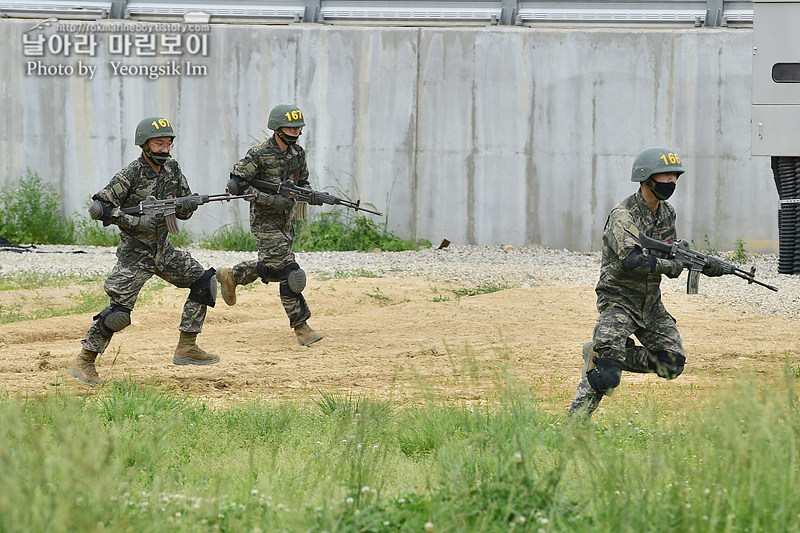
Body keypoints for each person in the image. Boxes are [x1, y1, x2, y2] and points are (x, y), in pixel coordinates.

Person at [568, 147, 726, 417]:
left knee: (672, 364)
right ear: (646, 178)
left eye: (675, 177)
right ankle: (574, 426)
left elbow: (670, 250)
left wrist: (704, 264)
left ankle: (605, 352)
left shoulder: (667, 214)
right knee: (605, 375)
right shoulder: (623, 215)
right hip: (619, 301)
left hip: (650, 304)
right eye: (666, 176)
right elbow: (632, 259)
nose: (672, 182)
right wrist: (670, 266)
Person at [69, 116, 219, 386]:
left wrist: (188, 204)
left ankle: (187, 346)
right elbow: (98, 208)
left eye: (168, 144)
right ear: (144, 145)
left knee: (205, 282)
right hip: (135, 256)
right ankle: (85, 360)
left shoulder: (173, 169)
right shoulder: (131, 174)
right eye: (158, 144)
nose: (164, 149)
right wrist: (133, 220)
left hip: (164, 251)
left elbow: (182, 210)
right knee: (118, 314)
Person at [215, 104, 324, 346]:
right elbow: (237, 184)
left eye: (298, 128)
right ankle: (301, 326)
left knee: (273, 268)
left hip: (287, 221)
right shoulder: (259, 154)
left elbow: (302, 182)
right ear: (277, 128)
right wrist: (268, 199)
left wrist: (310, 194)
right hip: (264, 221)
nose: (295, 132)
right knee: (291, 272)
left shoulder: (298, 154)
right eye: (290, 128)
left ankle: (232, 275)